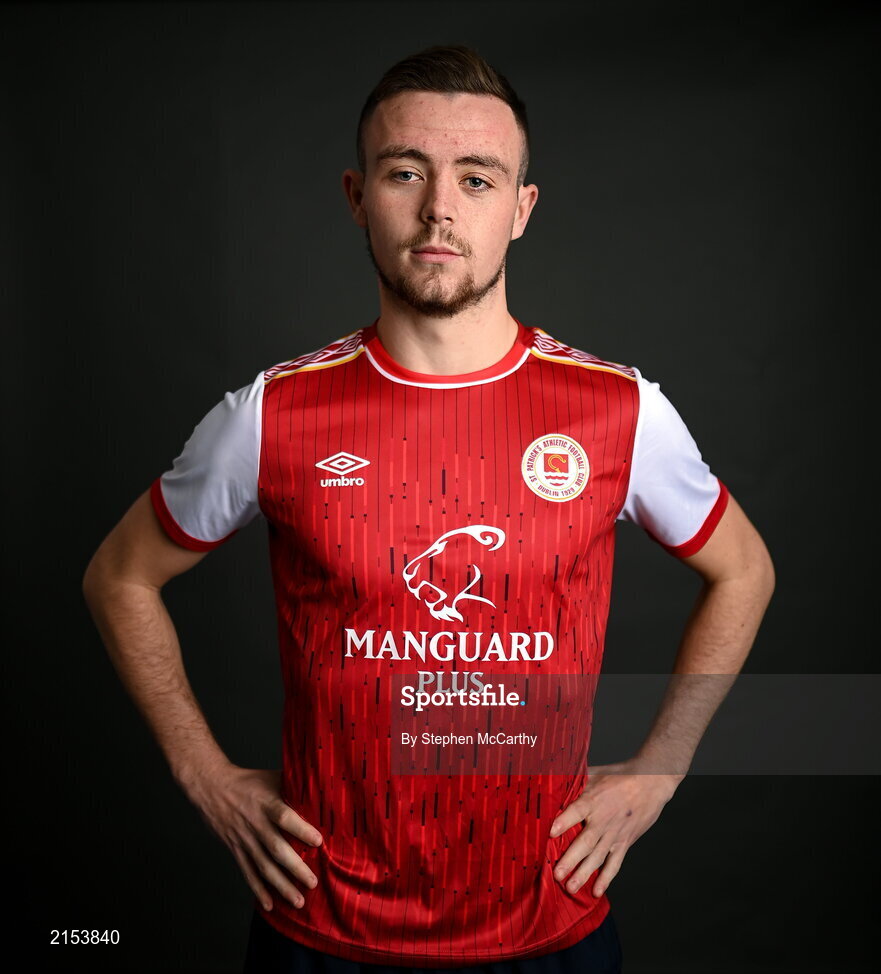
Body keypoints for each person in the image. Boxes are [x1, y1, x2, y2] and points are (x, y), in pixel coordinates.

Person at [82, 45, 775, 974]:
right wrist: (203, 776)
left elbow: (744, 569)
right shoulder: (273, 415)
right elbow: (119, 577)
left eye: (477, 178)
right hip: (321, 935)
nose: (440, 207)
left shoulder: (617, 411)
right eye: (405, 171)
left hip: (548, 932)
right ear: (356, 196)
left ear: (520, 210)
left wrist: (659, 769)